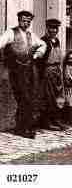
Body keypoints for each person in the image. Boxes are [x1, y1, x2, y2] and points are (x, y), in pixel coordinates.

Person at [0, 10, 46, 139]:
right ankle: (22, 128)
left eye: (28, 21)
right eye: (23, 20)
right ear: (19, 20)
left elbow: (43, 44)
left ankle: (25, 127)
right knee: (23, 98)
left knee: (30, 98)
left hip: (29, 70)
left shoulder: (31, 35)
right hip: (15, 71)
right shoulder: (11, 32)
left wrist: (38, 54)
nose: (26, 23)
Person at [38, 18, 66, 131]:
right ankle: (46, 122)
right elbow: (40, 60)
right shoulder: (43, 41)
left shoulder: (57, 41)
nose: (53, 30)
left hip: (57, 70)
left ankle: (56, 120)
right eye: (51, 28)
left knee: (57, 95)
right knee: (48, 97)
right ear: (47, 28)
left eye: (55, 28)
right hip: (48, 70)